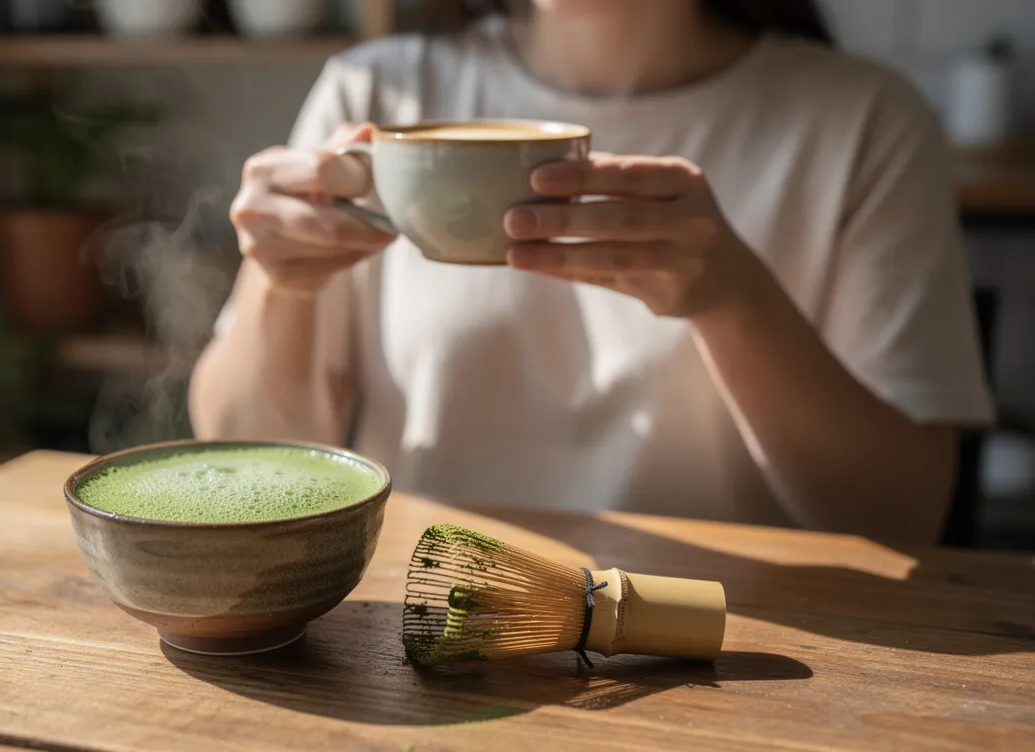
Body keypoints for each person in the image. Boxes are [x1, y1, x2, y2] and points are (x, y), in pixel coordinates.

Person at [189, 0, 995, 544]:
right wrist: (278, 282)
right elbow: (242, 454)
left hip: (741, 656)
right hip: (421, 628)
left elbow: (902, 519)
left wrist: (734, 301)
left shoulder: (865, 123)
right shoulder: (376, 94)